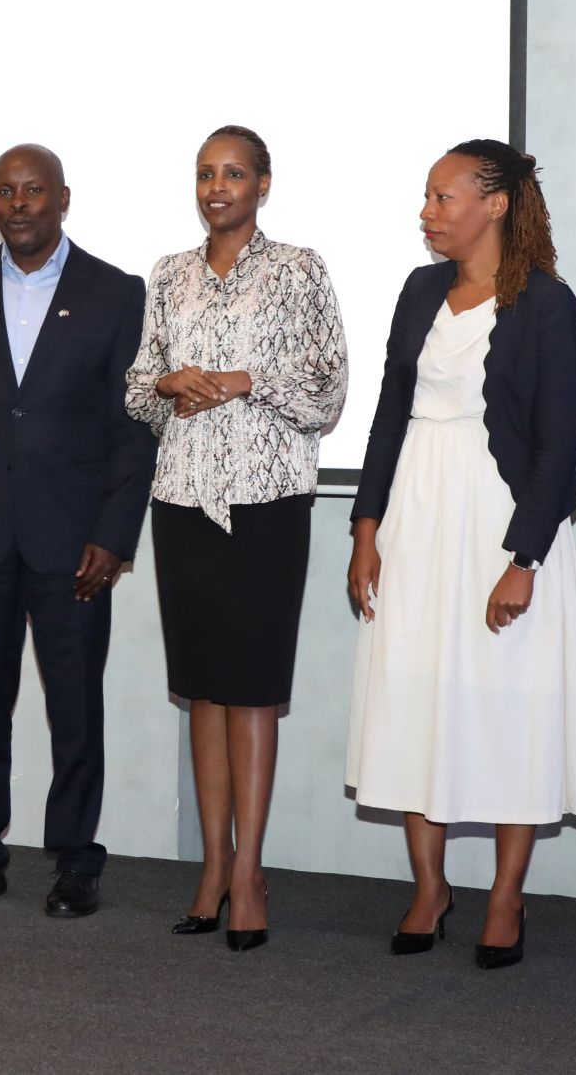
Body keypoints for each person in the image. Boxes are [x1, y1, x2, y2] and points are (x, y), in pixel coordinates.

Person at [345, 140, 576, 971]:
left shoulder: (547, 303)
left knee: (509, 704)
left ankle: (504, 896)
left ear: (495, 203)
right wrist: (366, 527)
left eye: (442, 196)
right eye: (426, 197)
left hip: (503, 523)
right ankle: (430, 888)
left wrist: (525, 558)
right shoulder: (419, 290)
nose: (427, 212)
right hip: (416, 519)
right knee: (415, 697)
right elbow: (388, 414)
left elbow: (558, 443)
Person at [0, 145, 157, 918]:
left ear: (63, 199)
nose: (18, 204)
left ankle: (76, 862)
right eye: (4, 191)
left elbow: (133, 426)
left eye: (33, 190)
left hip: (75, 543)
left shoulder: (115, 292)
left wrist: (115, 533)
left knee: (74, 709)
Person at [125, 125, 346, 951]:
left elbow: (328, 390)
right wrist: (170, 383)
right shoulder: (168, 274)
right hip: (182, 499)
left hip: (266, 503)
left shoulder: (298, 269)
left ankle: (250, 872)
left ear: (263, 184)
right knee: (203, 690)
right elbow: (135, 391)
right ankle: (212, 865)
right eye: (205, 173)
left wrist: (245, 380)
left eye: (234, 173)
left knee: (251, 687)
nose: (217, 187)